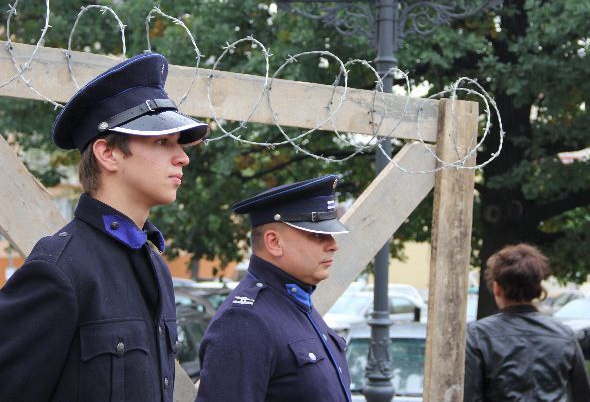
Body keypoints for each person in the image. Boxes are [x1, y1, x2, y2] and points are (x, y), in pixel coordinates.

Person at [0, 53, 209, 402]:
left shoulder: (155, 264)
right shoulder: (60, 268)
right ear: (108, 153)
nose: (183, 157)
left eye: (178, 143)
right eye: (162, 142)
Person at [196, 174, 352, 402]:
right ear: (274, 242)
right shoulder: (244, 320)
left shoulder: (296, 304)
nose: (333, 245)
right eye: (318, 234)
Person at [464, 243, 590, 402]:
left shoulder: (477, 335)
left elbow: (469, 396)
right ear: (538, 288)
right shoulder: (564, 335)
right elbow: (585, 397)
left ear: (497, 288)